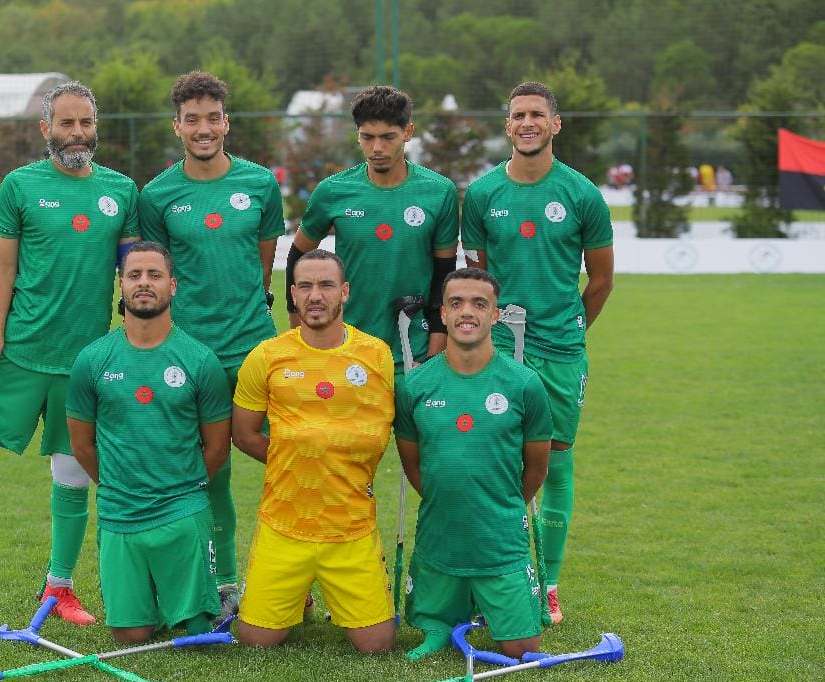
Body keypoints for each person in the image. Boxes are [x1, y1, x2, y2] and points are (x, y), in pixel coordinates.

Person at [0, 81, 140, 626]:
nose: (77, 133)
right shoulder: (19, 186)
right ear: (46, 130)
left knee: (74, 474)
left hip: (84, 361)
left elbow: (133, 277)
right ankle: (57, 585)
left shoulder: (122, 191)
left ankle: (58, 587)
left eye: (86, 123)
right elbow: (3, 272)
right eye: (66, 123)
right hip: (23, 350)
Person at [462, 81, 614, 624]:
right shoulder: (481, 196)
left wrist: (570, 328)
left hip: (561, 350)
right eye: (517, 115)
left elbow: (600, 281)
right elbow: (479, 281)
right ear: (507, 126)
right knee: (497, 463)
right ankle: (500, 578)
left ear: (555, 124)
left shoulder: (582, 195)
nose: (526, 123)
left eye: (536, 115)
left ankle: (547, 582)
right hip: (501, 348)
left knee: (558, 464)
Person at [137, 70, 284, 621]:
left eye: (213, 118)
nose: (204, 128)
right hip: (188, 356)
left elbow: (264, 262)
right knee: (205, 471)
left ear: (227, 122)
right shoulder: (158, 194)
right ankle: (221, 584)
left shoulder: (261, 184)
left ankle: (297, 574)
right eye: (192, 120)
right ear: (177, 126)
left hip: (254, 350)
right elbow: (155, 271)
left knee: (286, 460)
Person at [232, 249, 397, 653]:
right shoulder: (267, 356)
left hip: (351, 526)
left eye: (325, 285)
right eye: (305, 286)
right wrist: (299, 457)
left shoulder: (377, 355)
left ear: (344, 292)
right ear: (292, 294)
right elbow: (243, 434)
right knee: (255, 643)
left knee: (377, 646)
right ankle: (295, 595)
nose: (315, 295)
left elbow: (387, 428)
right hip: (284, 523)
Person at [66, 241, 232, 642]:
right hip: (120, 511)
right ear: (120, 285)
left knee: (194, 634)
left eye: (154, 275)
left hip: (182, 510)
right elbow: (83, 446)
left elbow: (217, 449)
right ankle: (150, 591)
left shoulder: (199, 360)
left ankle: (177, 588)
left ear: (173, 286)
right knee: (131, 635)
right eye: (134, 275)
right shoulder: (92, 359)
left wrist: (180, 488)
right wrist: (120, 485)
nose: (144, 283)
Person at [395, 267, 552, 660]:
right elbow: (413, 465)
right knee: (433, 632)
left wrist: (501, 504)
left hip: (500, 536)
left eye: (479, 304)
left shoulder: (524, 383)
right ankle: (442, 617)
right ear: (443, 314)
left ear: (495, 315)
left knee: (521, 647)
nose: (468, 312)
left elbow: (536, 469)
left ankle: (490, 601)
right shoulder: (414, 386)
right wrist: (449, 498)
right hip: (440, 530)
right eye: (456, 303)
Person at [286, 85, 460, 374]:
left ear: (408, 132)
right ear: (358, 135)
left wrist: (432, 359)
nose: (377, 148)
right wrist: (298, 336)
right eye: (367, 137)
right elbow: (296, 259)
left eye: (388, 137)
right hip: (346, 350)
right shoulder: (333, 191)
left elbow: (444, 279)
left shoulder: (439, 192)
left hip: (413, 353)